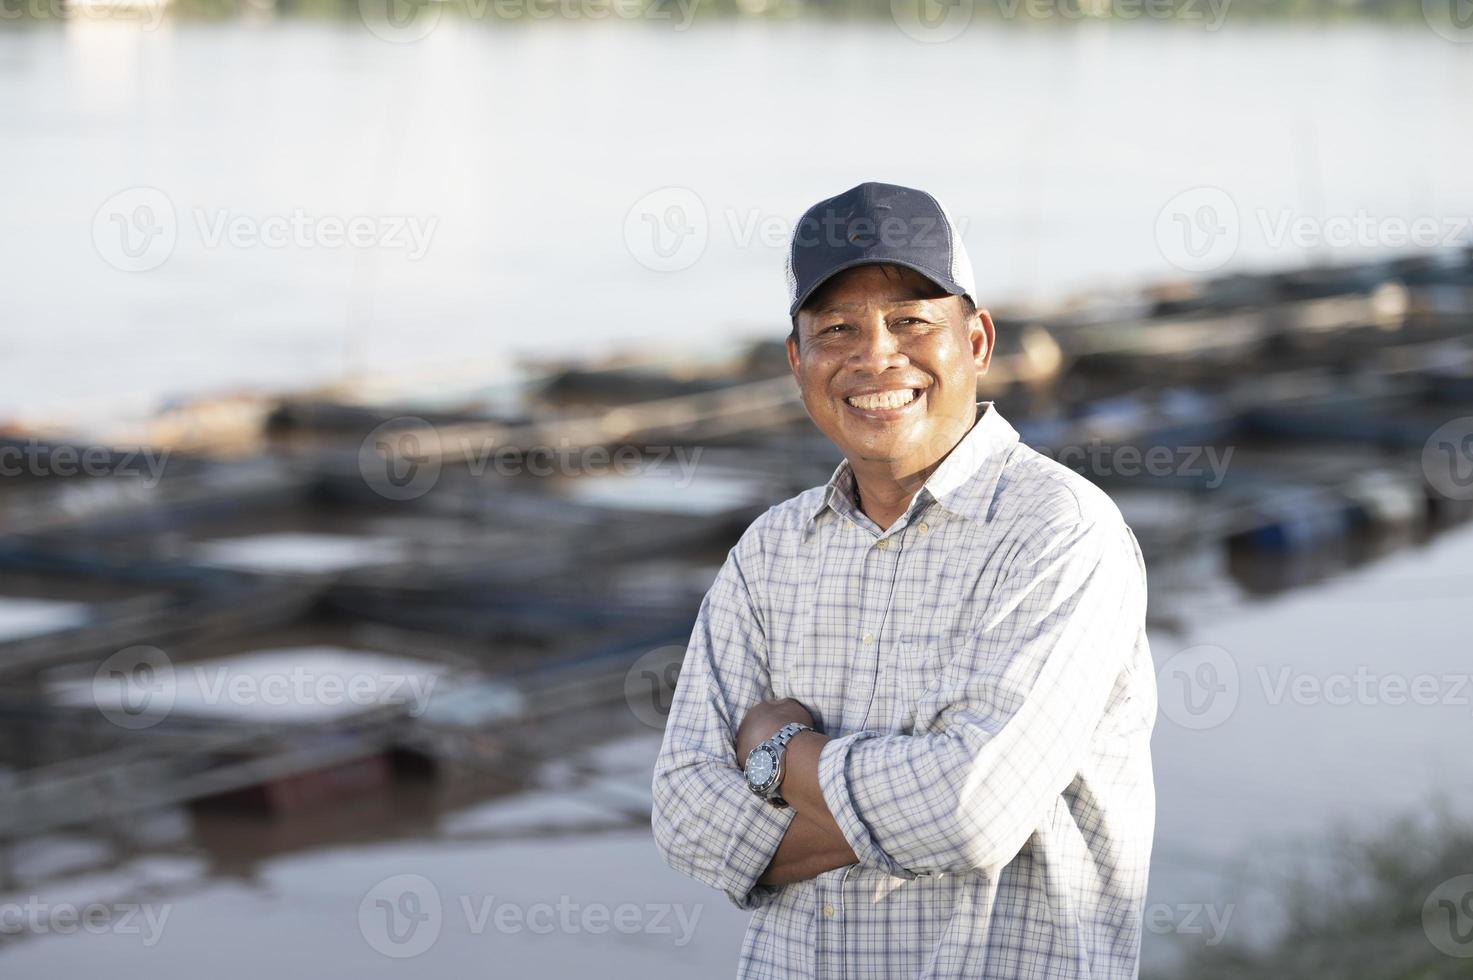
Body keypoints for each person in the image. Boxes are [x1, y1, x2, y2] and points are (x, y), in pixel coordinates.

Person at [651, 181, 1156, 979]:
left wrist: (776, 755)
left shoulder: (1059, 534)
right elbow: (684, 816)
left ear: (979, 341)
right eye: (837, 328)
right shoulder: (769, 552)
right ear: (797, 360)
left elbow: (970, 811)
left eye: (911, 322)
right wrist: (914, 797)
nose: (875, 356)